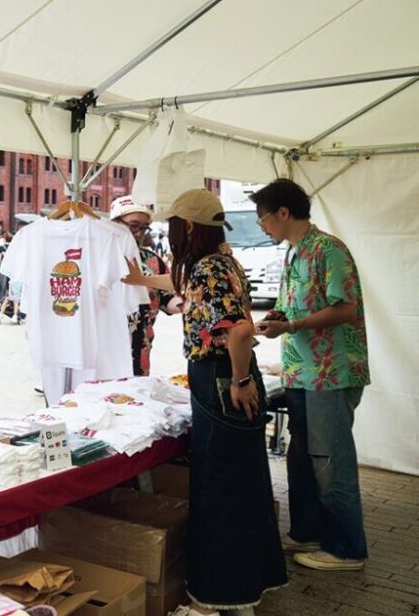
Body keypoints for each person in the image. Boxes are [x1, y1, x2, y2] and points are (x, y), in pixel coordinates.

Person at [124, 189, 286, 614]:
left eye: (174, 226)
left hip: (222, 376)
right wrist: (142, 281)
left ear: (189, 227)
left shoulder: (209, 268)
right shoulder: (219, 261)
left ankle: (217, 596)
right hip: (227, 376)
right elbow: (186, 287)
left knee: (219, 485)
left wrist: (240, 378)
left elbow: (239, 331)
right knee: (243, 480)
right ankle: (249, 585)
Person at [251, 178, 369, 571]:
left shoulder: (328, 250)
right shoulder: (294, 252)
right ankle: (307, 532)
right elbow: (296, 307)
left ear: (283, 213)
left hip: (330, 373)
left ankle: (347, 549)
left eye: (263, 219)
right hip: (300, 372)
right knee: (301, 458)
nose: (262, 227)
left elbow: (345, 308)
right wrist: (277, 319)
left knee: (329, 461)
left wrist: (292, 325)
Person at [109, 196, 180, 376]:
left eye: (144, 228)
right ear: (114, 223)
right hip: (105, 346)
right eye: (134, 226)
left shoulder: (152, 260)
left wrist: (186, 304)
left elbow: (168, 298)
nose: (139, 233)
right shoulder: (98, 257)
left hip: (140, 347)